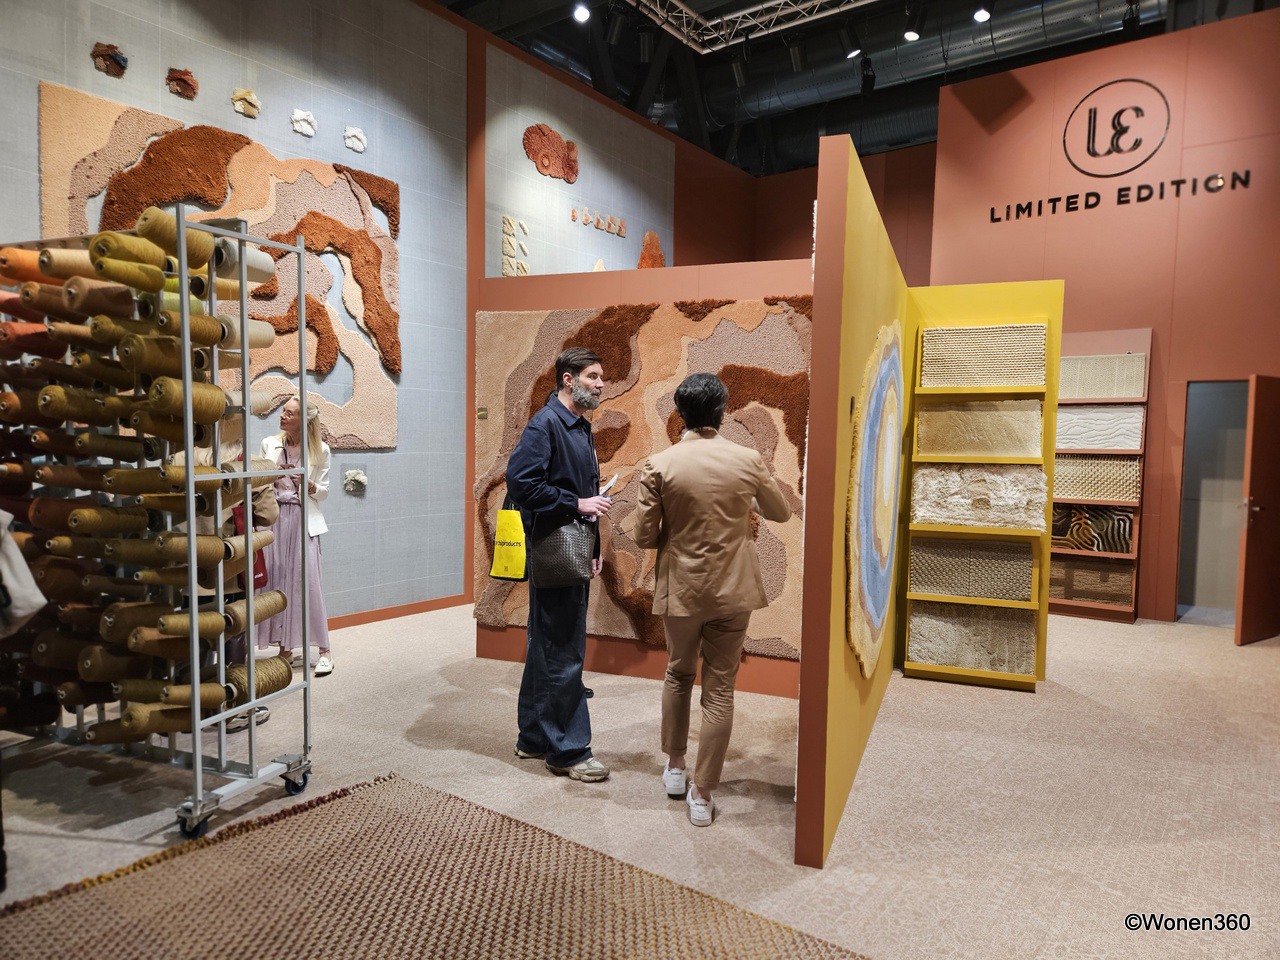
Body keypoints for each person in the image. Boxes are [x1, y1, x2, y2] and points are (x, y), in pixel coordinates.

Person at [634, 373, 791, 826]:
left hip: (681, 588)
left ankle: (675, 767)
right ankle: (702, 795)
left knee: (678, 672)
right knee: (720, 689)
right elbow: (780, 512)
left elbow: (644, 535)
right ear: (722, 412)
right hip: (733, 590)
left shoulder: (659, 464)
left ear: (679, 414)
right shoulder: (747, 459)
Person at [506, 347, 612, 783]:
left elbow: (586, 493)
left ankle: (533, 737)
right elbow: (521, 483)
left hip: (572, 547)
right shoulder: (546, 424)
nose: (600, 384)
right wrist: (576, 503)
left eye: (600, 377)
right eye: (592, 376)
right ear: (568, 379)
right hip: (554, 548)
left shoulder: (579, 426)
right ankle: (567, 751)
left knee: (546, 644)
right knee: (563, 649)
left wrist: (594, 545)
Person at [259, 396, 334, 675]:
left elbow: (324, 492)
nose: (282, 416)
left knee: (308, 583)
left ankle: (325, 650)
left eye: (289, 413)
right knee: (277, 582)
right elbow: (259, 483)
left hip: (303, 519)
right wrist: (270, 475)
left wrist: (310, 484)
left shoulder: (321, 450)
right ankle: (285, 650)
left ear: (304, 420)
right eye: (283, 411)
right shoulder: (269, 444)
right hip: (274, 520)